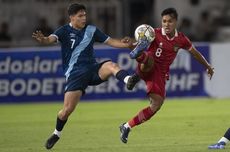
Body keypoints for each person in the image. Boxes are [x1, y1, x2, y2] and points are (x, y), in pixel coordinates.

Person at [32, 3, 134, 149]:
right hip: (75, 74)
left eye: (84, 15)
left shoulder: (92, 30)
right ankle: (56, 134)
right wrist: (43, 40)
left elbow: (112, 42)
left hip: (93, 69)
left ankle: (128, 80)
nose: (83, 18)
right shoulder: (64, 31)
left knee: (111, 65)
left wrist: (128, 45)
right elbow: (50, 39)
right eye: (80, 16)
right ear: (71, 17)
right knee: (66, 111)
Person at [119, 7, 214, 144]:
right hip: (147, 64)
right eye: (164, 21)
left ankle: (126, 126)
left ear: (175, 22)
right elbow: (136, 43)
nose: (166, 24)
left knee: (156, 105)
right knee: (150, 59)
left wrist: (208, 66)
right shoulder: (153, 33)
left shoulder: (181, 39)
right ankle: (137, 69)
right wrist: (131, 46)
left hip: (160, 74)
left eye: (169, 21)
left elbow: (195, 53)